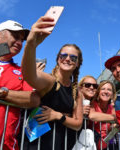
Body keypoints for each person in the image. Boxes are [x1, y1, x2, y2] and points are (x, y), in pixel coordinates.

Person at [21, 16, 83, 150]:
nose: (67, 59)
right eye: (63, 55)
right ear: (58, 59)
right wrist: (31, 44)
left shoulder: (77, 92)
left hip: (62, 144)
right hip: (37, 144)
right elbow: (29, 75)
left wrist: (57, 116)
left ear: (77, 63)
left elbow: (78, 123)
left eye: (73, 57)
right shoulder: (50, 81)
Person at [0, 20, 41, 150]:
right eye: (15, 36)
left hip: (5, 146)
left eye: (22, 39)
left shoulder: (23, 71)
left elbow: (34, 99)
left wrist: (0, 92)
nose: (19, 43)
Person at [88, 80, 117, 150]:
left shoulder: (112, 108)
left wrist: (114, 127)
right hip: (92, 143)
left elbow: (113, 128)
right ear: (98, 92)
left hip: (108, 141)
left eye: (109, 90)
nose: (106, 92)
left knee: (114, 144)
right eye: (103, 89)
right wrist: (115, 118)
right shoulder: (92, 103)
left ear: (112, 94)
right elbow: (92, 116)